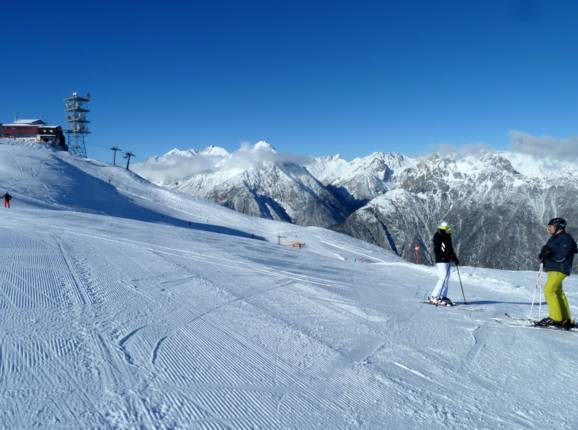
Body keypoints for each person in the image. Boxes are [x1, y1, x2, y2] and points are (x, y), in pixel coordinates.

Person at [536, 217, 577, 329]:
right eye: (548, 226)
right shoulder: (554, 238)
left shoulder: (566, 238)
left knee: (549, 290)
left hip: (560, 268)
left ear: (559, 227)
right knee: (558, 292)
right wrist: (543, 255)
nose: (549, 228)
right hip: (553, 268)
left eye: (551, 226)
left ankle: (555, 318)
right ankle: (565, 319)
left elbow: (561, 256)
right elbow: (549, 251)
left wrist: (549, 255)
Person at [428, 222, 460, 306]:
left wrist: (454, 257)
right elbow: (440, 250)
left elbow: (450, 249)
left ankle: (442, 296)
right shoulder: (439, 237)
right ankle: (434, 296)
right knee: (443, 278)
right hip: (441, 260)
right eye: (447, 229)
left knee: (446, 278)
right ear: (444, 229)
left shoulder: (446, 237)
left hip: (446, 260)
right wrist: (447, 256)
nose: (449, 230)